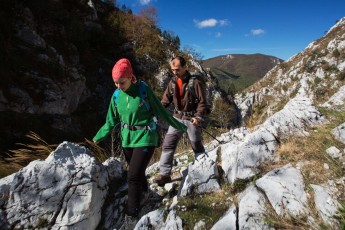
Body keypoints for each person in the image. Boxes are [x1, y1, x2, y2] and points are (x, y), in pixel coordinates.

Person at [93, 58, 187, 229]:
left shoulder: (143, 90)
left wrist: (180, 125)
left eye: (122, 82)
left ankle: (131, 214)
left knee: (133, 176)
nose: (118, 86)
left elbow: (160, 110)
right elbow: (111, 120)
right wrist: (100, 135)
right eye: (116, 83)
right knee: (138, 173)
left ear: (130, 77)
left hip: (146, 136)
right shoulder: (116, 96)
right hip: (127, 138)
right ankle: (145, 193)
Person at [154, 56, 209, 187]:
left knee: (196, 146)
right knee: (168, 145)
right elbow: (165, 100)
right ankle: (165, 175)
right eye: (173, 70)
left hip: (191, 119)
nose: (174, 72)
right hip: (176, 118)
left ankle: (204, 170)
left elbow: (202, 102)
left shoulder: (195, 82)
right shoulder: (172, 82)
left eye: (177, 69)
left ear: (185, 67)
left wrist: (198, 117)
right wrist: (156, 110)